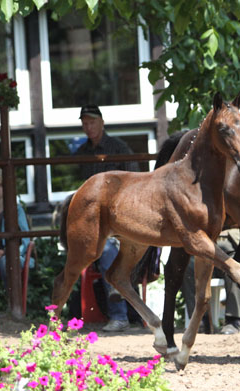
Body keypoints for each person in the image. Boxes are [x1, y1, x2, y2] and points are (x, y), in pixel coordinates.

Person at [75, 104, 139, 332]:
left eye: (91, 121)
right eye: (84, 122)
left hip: (119, 217)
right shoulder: (81, 153)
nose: (87, 126)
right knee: (103, 246)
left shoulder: (119, 148)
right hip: (91, 220)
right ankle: (117, 308)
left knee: (108, 248)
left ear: (102, 122)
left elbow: (135, 182)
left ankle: (119, 313)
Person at [0, 168, 33, 289]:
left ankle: (13, 304)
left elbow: (25, 239)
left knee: (9, 263)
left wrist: (5, 252)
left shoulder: (15, 209)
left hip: (9, 253)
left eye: (1, 185)